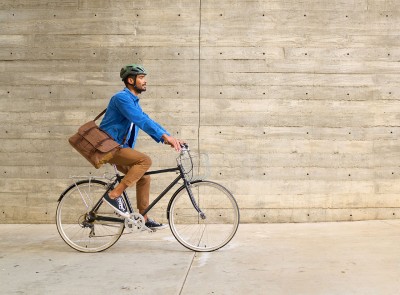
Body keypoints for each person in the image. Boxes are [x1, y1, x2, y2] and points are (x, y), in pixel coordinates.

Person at [99, 64, 184, 229]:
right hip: (109, 146)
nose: (145, 81)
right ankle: (114, 195)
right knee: (145, 161)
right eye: (141, 78)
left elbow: (146, 119)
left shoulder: (133, 101)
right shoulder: (121, 98)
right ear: (131, 80)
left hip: (118, 146)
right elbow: (141, 120)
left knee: (144, 177)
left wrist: (168, 137)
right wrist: (164, 136)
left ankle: (143, 218)